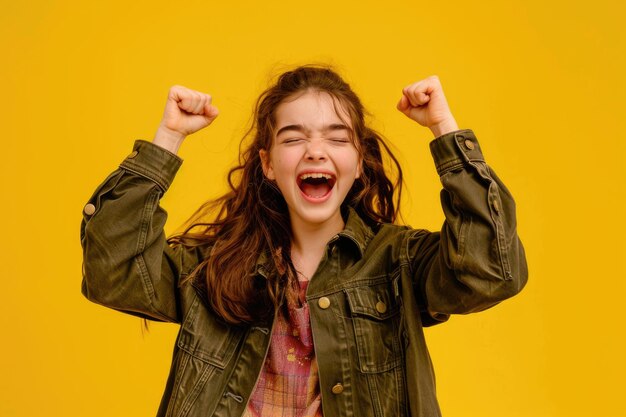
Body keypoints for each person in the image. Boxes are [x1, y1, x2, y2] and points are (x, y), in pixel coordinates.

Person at [80, 65, 528, 417]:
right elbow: (112, 272)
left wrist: (444, 129)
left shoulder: (400, 262)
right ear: (269, 165)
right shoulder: (214, 268)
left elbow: (492, 271)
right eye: (293, 138)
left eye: (337, 138)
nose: (315, 150)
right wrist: (169, 137)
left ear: (358, 163)